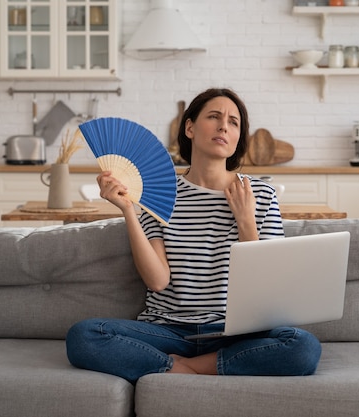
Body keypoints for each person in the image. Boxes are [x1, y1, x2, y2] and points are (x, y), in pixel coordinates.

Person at [66, 88, 322, 384]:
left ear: (239, 136)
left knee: (303, 347)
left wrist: (245, 222)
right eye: (214, 117)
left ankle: (183, 369)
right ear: (189, 127)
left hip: (234, 332)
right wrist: (128, 210)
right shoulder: (160, 193)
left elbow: (269, 287)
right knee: (84, 336)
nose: (224, 126)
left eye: (234, 122)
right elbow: (157, 280)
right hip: (169, 331)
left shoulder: (260, 194)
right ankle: (200, 366)